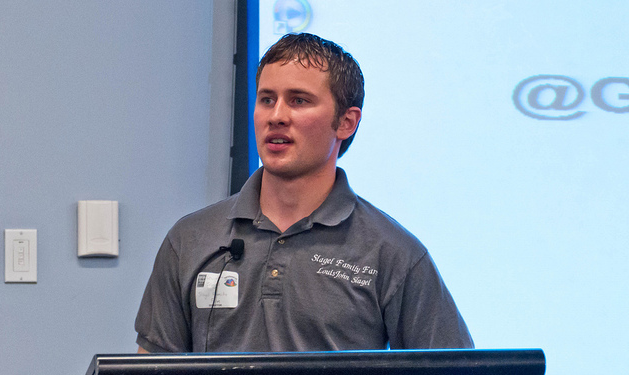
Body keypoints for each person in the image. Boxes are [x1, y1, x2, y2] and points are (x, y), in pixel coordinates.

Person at [135, 33, 473, 353]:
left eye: (299, 101)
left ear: (346, 123)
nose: (277, 116)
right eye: (267, 99)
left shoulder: (393, 254)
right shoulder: (191, 239)